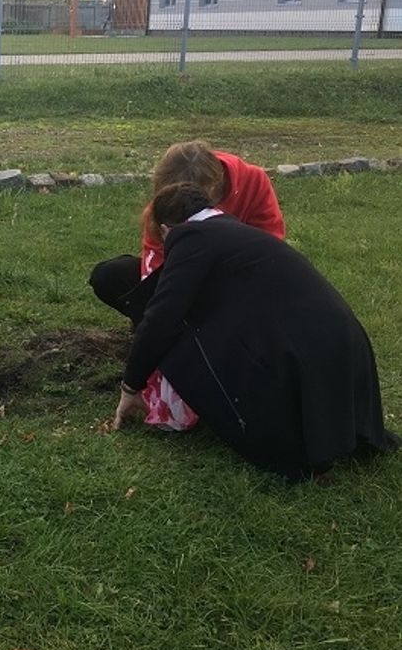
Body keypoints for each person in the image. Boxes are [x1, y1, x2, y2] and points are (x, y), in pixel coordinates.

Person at [114, 182, 398, 480]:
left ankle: (296, 450)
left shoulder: (190, 237)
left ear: (165, 228)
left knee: (186, 340)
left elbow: (162, 318)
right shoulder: (236, 232)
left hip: (300, 351)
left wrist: (131, 386)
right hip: (344, 340)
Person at [90, 140, 285, 430]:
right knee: (111, 275)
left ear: (216, 186)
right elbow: (156, 269)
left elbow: (270, 247)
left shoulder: (253, 181)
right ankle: (160, 351)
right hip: (185, 282)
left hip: (237, 283)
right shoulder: (163, 207)